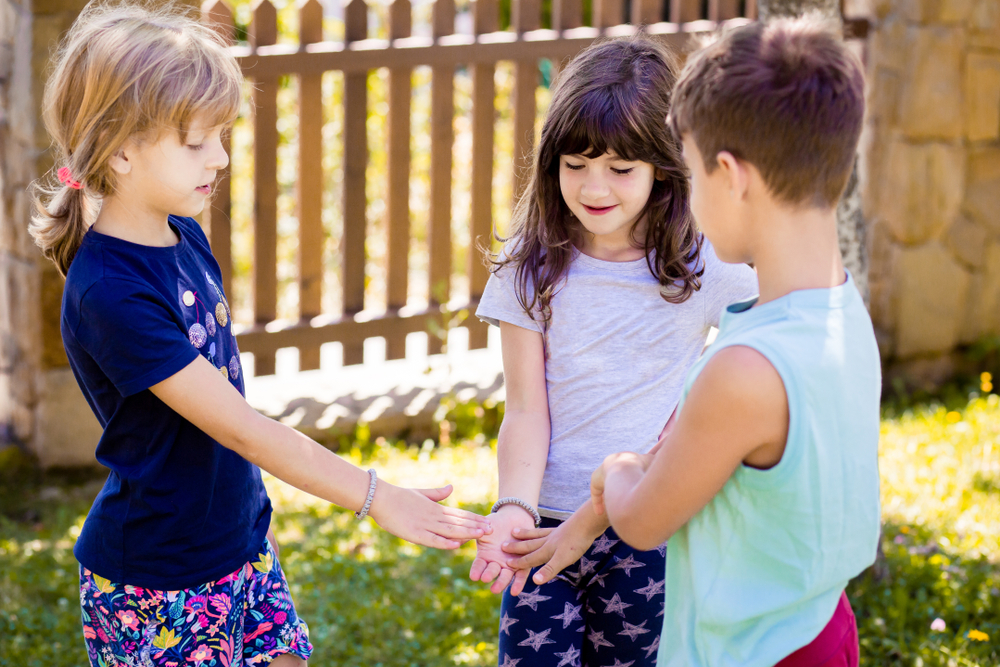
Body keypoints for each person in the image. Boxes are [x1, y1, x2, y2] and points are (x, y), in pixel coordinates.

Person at [28, 5, 491, 666]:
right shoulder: (110, 292)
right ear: (121, 148)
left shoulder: (180, 230)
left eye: (221, 134)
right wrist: (374, 495)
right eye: (196, 141)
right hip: (160, 580)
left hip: (238, 539)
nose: (219, 156)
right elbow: (240, 427)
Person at [588, 17, 880, 667]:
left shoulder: (745, 371)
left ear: (732, 174)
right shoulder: (843, 312)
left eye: (689, 175)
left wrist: (619, 471)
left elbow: (641, 519)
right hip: (823, 625)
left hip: (751, 651)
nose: (688, 198)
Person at [468, 36, 759, 667]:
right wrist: (513, 507)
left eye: (621, 168)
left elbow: (742, 376)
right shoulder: (527, 267)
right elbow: (525, 410)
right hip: (542, 530)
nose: (594, 186)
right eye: (576, 164)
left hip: (649, 530)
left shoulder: (706, 265)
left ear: (664, 166)